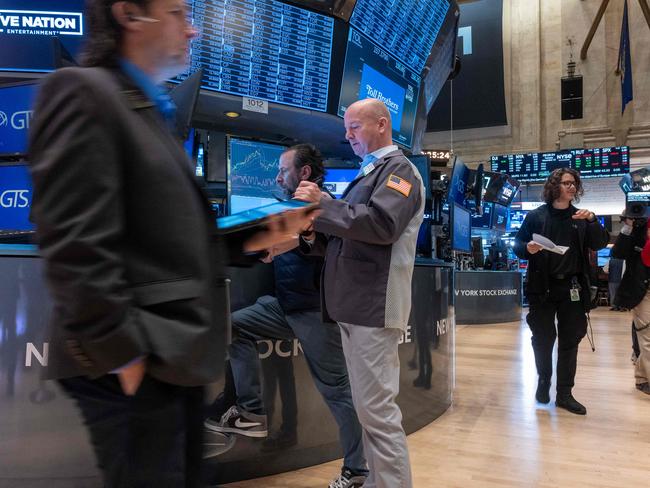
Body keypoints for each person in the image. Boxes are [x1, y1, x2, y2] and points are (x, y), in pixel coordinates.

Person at [27, 1, 313, 486]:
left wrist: (256, 235)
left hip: (172, 361)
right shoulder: (80, 91)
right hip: (135, 363)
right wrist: (126, 357)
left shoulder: (147, 112)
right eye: (178, 13)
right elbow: (72, 241)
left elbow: (168, 236)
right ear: (129, 14)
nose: (193, 28)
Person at [206, 144, 368, 488]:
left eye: (283, 170)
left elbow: (316, 242)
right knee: (231, 327)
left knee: (337, 393)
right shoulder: (288, 207)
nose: (278, 176)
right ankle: (250, 411)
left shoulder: (322, 206)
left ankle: (358, 469)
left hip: (314, 312)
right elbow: (270, 243)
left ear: (303, 173)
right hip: (283, 306)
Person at [294, 98, 424, 488]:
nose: (347, 135)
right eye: (346, 128)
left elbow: (382, 225)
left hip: (373, 304)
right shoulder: (371, 172)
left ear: (381, 124)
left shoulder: (400, 170)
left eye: (355, 126)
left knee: (378, 415)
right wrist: (315, 229)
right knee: (369, 413)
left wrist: (325, 206)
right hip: (354, 304)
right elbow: (350, 236)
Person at [514, 168, 609, 415]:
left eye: (574, 183)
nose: (571, 187)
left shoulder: (581, 218)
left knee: (570, 341)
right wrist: (528, 248)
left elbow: (599, 242)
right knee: (543, 340)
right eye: (566, 183)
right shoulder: (536, 216)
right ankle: (544, 379)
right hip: (542, 288)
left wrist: (592, 221)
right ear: (554, 186)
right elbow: (518, 245)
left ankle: (565, 394)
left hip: (572, 288)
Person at [612, 216, 650, 395]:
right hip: (642, 289)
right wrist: (628, 226)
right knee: (647, 338)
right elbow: (618, 253)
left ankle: (642, 378)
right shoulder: (638, 227)